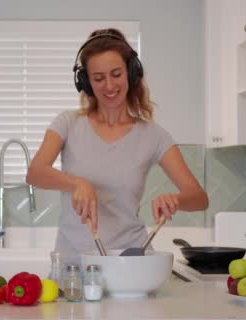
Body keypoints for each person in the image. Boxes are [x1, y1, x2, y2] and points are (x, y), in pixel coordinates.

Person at [26, 28, 208, 264]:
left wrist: (176, 200)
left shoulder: (154, 135)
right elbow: (35, 173)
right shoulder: (68, 124)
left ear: (131, 74)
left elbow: (199, 198)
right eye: (99, 78)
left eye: (116, 74)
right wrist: (78, 183)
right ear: (87, 83)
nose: (109, 85)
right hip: (74, 267)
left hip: (131, 263)